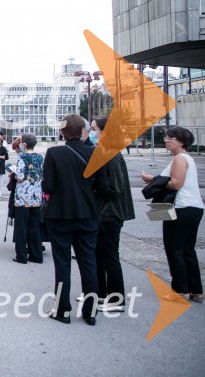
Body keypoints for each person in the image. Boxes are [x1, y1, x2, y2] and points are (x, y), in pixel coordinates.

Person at [41, 114, 112, 326]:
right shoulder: (94, 152)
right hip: (87, 214)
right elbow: (103, 187)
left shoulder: (54, 153)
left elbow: (48, 187)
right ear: (83, 131)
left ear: (62, 132)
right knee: (88, 262)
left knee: (62, 263)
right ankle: (90, 312)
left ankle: (62, 310)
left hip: (60, 215)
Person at [141, 126, 203, 303]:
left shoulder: (179, 159)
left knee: (174, 249)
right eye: (167, 138)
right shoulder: (187, 158)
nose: (167, 141)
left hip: (180, 207)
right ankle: (195, 290)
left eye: (171, 139)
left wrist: (152, 179)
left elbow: (176, 184)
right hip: (193, 207)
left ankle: (180, 291)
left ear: (182, 142)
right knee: (187, 250)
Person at [90, 116, 135, 311]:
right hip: (106, 212)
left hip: (108, 213)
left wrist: (95, 189)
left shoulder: (107, 151)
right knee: (99, 254)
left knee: (109, 256)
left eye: (94, 129)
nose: (92, 132)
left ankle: (116, 299)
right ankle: (100, 293)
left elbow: (114, 188)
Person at [12, 133, 44, 264]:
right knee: (34, 227)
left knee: (21, 228)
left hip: (23, 197)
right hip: (36, 196)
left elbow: (20, 176)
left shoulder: (23, 157)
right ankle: (36, 255)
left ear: (24, 144)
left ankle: (21, 256)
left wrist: (13, 173)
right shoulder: (40, 157)